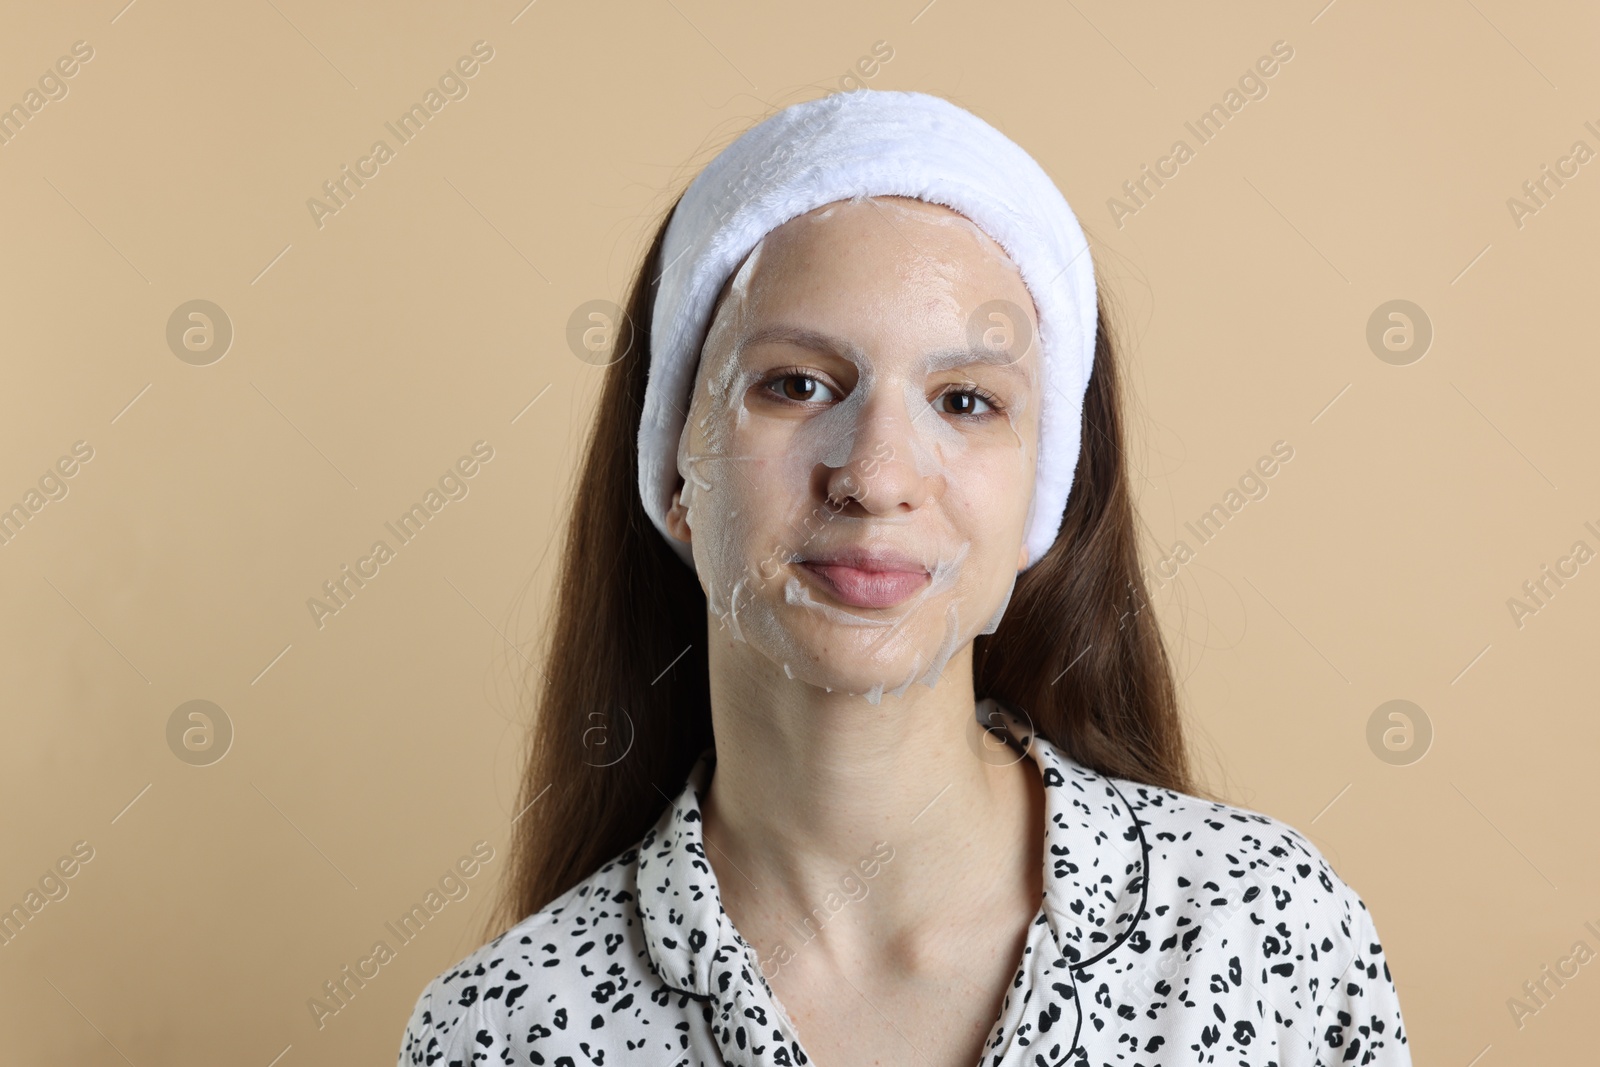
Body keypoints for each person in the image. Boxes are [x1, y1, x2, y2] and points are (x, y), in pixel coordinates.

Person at [396, 89, 1411, 1067]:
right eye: (794, 384)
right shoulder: (501, 1029)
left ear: (1039, 499)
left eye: (966, 400)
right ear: (673, 469)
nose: (875, 477)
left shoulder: (1263, 928)